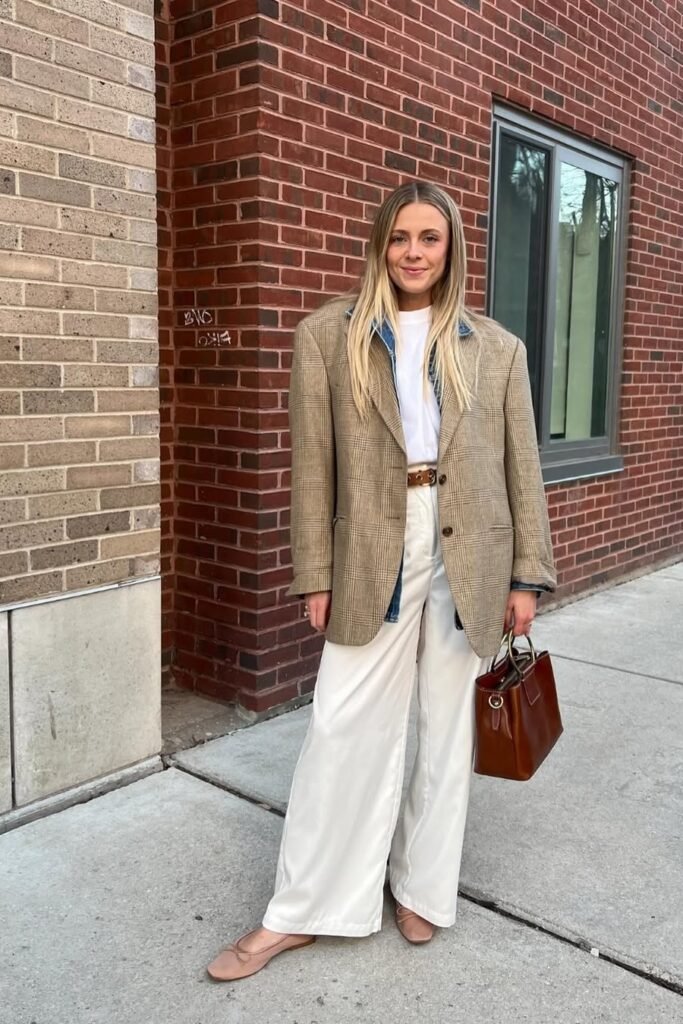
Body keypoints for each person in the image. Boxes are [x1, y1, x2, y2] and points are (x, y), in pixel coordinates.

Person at [207, 181, 556, 981]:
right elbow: (310, 469)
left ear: (450, 248)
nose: (412, 252)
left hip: (469, 550)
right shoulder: (327, 336)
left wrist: (527, 577)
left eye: (429, 238)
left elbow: (521, 472)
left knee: (444, 729)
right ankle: (303, 910)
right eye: (400, 236)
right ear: (378, 243)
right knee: (341, 726)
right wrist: (313, 573)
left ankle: (422, 890)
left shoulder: (495, 348)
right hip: (372, 545)